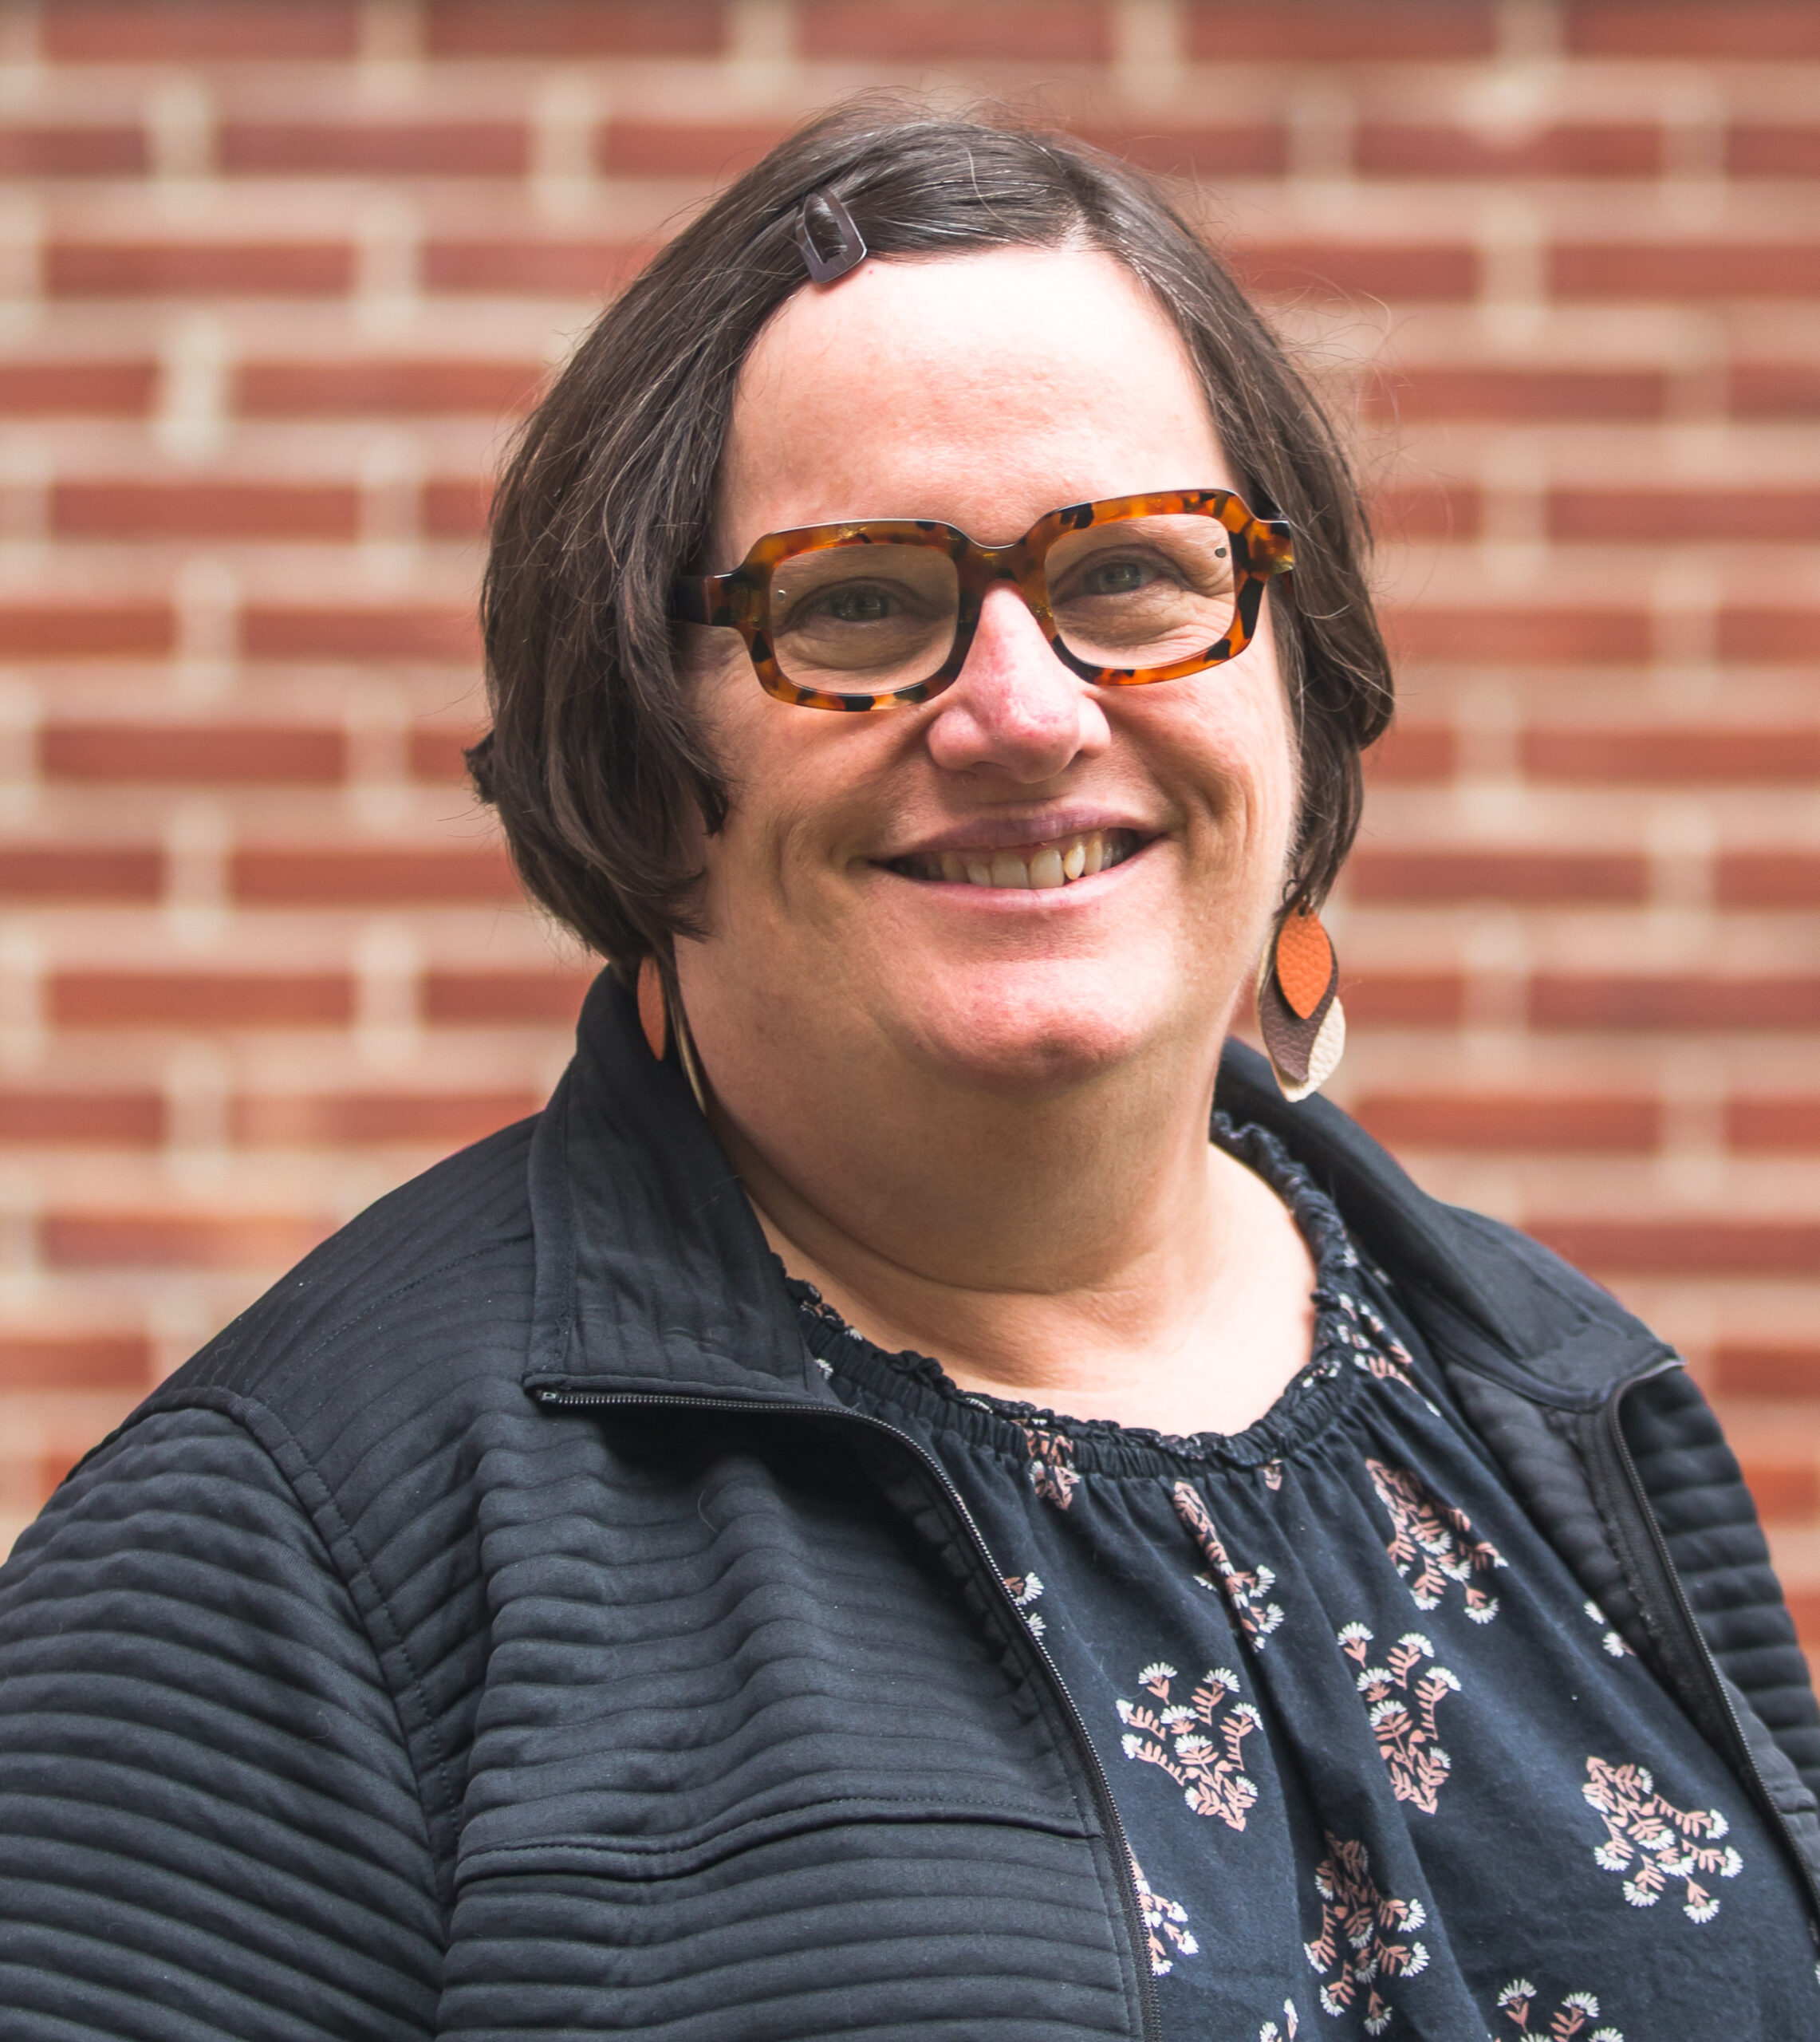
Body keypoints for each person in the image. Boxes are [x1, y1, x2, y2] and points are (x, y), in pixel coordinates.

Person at [2, 103, 1817, 2042]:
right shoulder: (296, 1541)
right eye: (859, 600)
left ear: (1297, 673)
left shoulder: (1554, 1389)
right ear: (641, 751)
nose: (1025, 712)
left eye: (1131, 574)